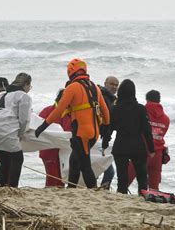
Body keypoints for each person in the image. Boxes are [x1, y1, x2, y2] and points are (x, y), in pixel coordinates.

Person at [35, 59, 110, 189]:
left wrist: (43, 126)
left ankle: (94, 191)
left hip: (82, 133)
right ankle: (71, 189)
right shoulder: (94, 87)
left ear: (70, 71)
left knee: (85, 166)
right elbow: (106, 111)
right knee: (74, 161)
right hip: (94, 133)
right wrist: (106, 130)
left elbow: (59, 110)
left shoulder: (72, 87)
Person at [103, 79, 155, 194]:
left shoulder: (115, 109)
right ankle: (143, 197)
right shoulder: (141, 109)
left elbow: (109, 129)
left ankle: (122, 196)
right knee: (142, 177)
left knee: (122, 178)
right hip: (138, 146)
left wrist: (104, 144)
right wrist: (151, 149)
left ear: (120, 92)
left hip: (121, 146)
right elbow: (147, 131)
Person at [127, 90, 170, 190]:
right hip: (158, 154)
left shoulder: (142, 112)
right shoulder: (166, 119)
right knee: (154, 186)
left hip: (142, 151)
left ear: (147, 100)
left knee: (127, 179)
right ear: (159, 101)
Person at [38, 89, 71, 188]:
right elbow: (39, 130)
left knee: (62, 178)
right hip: (49, 150)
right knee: (53, 178)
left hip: (66, 151)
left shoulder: (70, 112)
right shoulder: (47, 111)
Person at [98, 76, 119, 189]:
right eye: (112, 84)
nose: (114, 87)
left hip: (103, 139)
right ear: (105, 83)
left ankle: (101, 190)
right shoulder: (100, 96)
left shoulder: (113, 100)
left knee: (106, 169)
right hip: (96, 137)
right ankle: (100, 190)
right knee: (108, 170)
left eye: (116, 85)